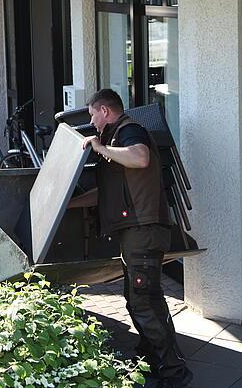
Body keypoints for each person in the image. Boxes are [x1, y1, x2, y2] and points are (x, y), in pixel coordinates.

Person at [81, 89, 192, 388]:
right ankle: (153, 361)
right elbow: (114, 188)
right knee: (137, 300)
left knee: (145, 302)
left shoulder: (129, 131)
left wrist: (100, 148)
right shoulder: (116, 139)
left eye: (93, 114)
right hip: (135, 232)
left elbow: (140, 158)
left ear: (105, 110)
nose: (92, 123)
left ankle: (174, 372)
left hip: (143, 231)